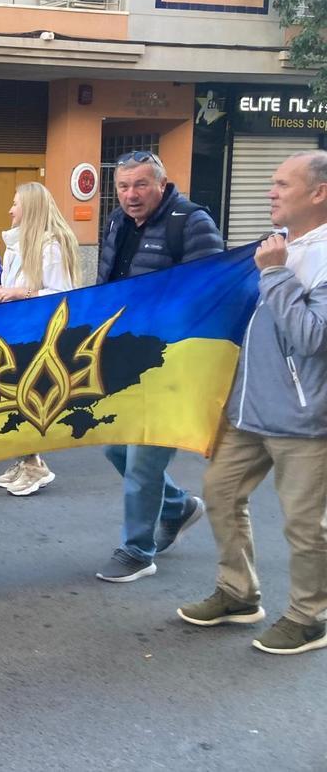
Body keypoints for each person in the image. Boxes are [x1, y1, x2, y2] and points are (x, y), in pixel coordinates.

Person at [178, 150, 327, 655]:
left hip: (304, 420)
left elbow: (313, 338)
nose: (270, 191)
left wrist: (276, 274)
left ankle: (309, 618)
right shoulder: (277, 246)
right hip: (249, 412)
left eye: (282, 183)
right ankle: (239, 593)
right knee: (219, 493)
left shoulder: (304, 257)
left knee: (304, 526)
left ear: (318, 193)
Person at [94, 150, 224, 583]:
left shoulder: (191, 222)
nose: (131, 194)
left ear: (162, 185)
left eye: (141, 185)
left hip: (173, 363)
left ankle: (137, 550)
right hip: (127, 360)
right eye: (123, 186)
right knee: (116, 449)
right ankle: (177, 507)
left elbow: (211, 293)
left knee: (143, 460)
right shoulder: (117, 223)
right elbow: (106, 287)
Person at [0, 182, 80, 497]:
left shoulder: (52, 246)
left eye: (16, 204)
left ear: (31, 208)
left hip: (39, 335)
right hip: (19, 330)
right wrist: (1, 291)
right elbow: (16, 285)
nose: (10, 210)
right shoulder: (18, 244)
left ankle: (35, 464)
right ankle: (25, 459)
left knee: (29, 397)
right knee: (15, 396)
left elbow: (62, 294)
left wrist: (17, 292)